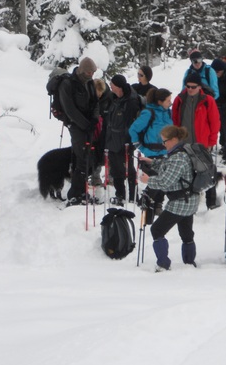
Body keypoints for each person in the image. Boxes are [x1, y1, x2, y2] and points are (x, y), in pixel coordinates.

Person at [139, 125, 199, 271]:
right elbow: (167, 165)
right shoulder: (182, 150)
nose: (163, 144)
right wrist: (151, 162)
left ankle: (163, 264)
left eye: (165, 141)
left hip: (180, 202)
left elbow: (165, 182)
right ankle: (189, 263)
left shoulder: (178, 158)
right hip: (190, 200)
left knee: (157, 230)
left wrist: (148, 180)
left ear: (173, 140)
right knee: (186, 233)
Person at [172, 71, 221, 210]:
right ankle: (189, 201)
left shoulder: (208, 101)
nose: (190, 89)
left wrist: (212, 141)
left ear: (200, 87)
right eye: (188, 86)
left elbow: (215, 122)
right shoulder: (180, 99)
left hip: (202, 144)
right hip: (185, 144)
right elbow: (175, 119)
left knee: (206, 171)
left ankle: (211, 201)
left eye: (193, 87)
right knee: (187, 173)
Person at [59, 57, 100, 206]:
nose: (91, 75)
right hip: (76, 126)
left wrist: (95, 119)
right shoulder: (68, 84)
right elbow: (70, 110)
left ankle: (80, 191)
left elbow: (96, 103)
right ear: (82, 70)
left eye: (93, 72)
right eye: (89, 72)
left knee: (86, 158)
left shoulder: (89, 83)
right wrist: (85, 124)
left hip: (88, 124)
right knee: (82, 157)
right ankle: (75, 194)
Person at [105, 74, 141, 205]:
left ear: (118, 86)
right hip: (113, 140)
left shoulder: (131, 102)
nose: (110, 85)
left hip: (124, 142)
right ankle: (120, 194)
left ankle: (133, 196)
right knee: (115, 170)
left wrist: (129, 142)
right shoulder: (114, 98)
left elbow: (132, 124)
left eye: (112, 84)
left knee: (129, 170)